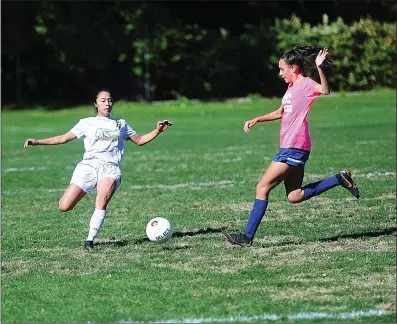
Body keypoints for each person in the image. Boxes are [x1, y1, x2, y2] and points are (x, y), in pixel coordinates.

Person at [222, 45, 360, 247]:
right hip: (293, 147)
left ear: (293, 68)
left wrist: (319, 67)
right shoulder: (291, 88)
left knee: (262, 187)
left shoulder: (305, 85)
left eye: (282, 69)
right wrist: (257, 119)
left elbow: (325, 90)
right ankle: (339, 179)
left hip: (294, 147)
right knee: (294, 196)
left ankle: (247, 237)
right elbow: (281, 112)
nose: (280, 73)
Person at [24, 89, 173, 251]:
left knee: (101, 203)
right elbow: (63, 138)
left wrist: (157, 131)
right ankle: (85, 229)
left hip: (110, 169)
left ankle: (89, 241)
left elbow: (140, 140)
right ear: (95, 104)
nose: (107, 103)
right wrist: (37, 142)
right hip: (88, 167)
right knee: (64, 206)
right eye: (103, 100)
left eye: (110, 100)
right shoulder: (86, 123)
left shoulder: (120, 124)